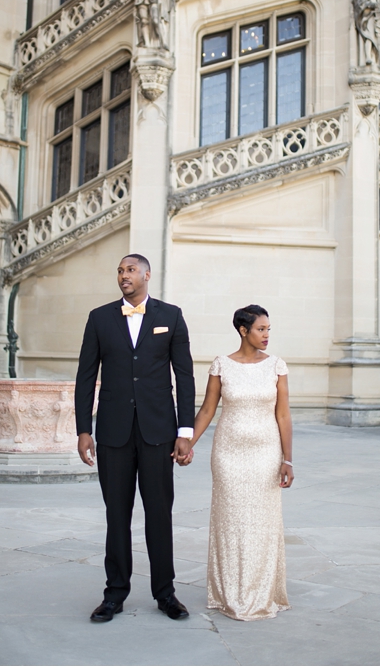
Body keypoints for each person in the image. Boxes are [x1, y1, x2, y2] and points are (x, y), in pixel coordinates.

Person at [75, 254, 196, 623]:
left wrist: (185, 432)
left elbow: (185, 376)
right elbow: (85, 376)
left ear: (146, 275)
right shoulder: (99, 318)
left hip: (158, 432)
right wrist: (84, 429)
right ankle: (114, 594)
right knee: (117, 516)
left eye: (130, 270)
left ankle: (166, 593)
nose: (123, 276)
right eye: (120, 271)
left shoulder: (171, 316)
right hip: (113, 432)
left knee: (159, 514)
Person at [185, 304, 293, 621]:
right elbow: (207, 411)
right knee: (230, 522)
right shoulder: (222, 365)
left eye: (269, 329)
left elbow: (283, 415)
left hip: (266, 453)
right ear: (244, 331)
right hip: (228, 454)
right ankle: (228, 593)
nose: (267, 335)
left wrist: (288, 459)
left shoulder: (277, 366)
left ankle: (261, 593)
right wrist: (186, 444)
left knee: (261, 523)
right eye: (261, 329)